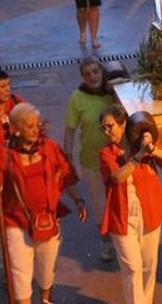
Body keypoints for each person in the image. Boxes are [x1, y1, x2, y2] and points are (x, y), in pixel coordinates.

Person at [0, 103, 88, 304]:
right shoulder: (4, 154)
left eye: (37, 125)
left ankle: (46, 299)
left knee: (46, 270)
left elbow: (66, 176)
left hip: (47, 219)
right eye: (29, 126)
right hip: (16, 223)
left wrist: (78, 200)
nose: (36, 129)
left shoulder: (50, 148)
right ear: (15, 129)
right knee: (20, 273)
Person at [99, 105, 162, 304]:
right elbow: (118, 177)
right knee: (132, 268)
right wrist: (138, 157)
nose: (106, 132)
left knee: (148, 266)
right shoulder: (106, 153)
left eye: (110, 126)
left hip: (150, 212)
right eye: (102, 128)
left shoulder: (142, 144)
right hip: (122, 217)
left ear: (123, 123)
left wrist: (152, 149)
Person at [64, 57, 116, 258]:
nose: (93, 76)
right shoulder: (77, 97)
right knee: (100, 204)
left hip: (116, 160)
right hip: (92, 161)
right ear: (82, 77)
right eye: (87, 73)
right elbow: (70, 129)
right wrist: (67, 156)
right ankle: (106, 243)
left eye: (96, 71)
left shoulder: (113, 92)